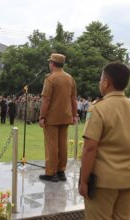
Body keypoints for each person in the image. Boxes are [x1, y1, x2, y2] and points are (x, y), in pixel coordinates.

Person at [79, 62, 130, 220]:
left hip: (103, 183)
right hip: (129, 179)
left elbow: (90, 148)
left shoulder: (98, 109)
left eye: (101, 79)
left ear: (105, 82)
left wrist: (84, 180)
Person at [39, 53, 77, 182]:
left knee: (51, 146)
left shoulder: (50, 79)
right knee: (63, 145)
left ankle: (51, 173)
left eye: (50, 62)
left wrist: (42, 116)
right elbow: (73, 99)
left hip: (52, 117)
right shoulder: (70, 78)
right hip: (66, 117)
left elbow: (46, 100)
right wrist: (74, 115)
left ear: (52, 64)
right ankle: (61, 171)